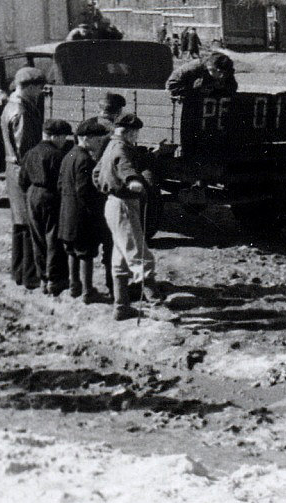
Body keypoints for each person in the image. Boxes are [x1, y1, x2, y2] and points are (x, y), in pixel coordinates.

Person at [96, 113, 165, 320]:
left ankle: (121, 305)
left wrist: (110, 186)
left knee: (120, 257)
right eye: (136, 133)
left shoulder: (109, 145)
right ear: (129, 132)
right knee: (140, 255)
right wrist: (133, 182)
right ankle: (157, 306)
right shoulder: (121, 149)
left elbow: (96, 172)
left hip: (113, 204)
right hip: (125, 205)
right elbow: (126, 169)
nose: (137, 137)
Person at [59, 119, 113, 303]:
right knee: (86, 253)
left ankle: (75, 287)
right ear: (86, 139)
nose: (99, 144)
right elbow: (84, 191)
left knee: (73, 251)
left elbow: (61, 184)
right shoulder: (85, 160)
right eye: (97, 140)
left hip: (68, 214)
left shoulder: (69, 155)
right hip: (83, 217)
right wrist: (101, 202)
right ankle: (88, 292)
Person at [1, 66, 46, 290]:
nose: (40, 92)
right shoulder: (23, 111)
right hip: (23, 172)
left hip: (12, 170)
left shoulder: (10, 106)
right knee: (30, 225)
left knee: (19, 224)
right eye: (38, 88)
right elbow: (25, 149)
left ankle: (19, 272)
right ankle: (31, 276)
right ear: (27, 87)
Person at [19, 119, 73, 296]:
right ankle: (55, 281)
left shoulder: (30, 153)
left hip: (32, 195)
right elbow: (63, 183)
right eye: (63, 137)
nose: (64, 141)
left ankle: (43, 279)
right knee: (54, 239)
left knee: (38, 239)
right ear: (54, 137)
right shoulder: (58, 156)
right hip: (51, 197)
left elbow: (22, 181)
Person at [165, 51, 238, 98]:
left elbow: (232, 88)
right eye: (220, 73)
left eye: (224, 74)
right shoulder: (193, 68)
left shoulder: (226, 69)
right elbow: (171, 85)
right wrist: (195, 91)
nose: (222, 76)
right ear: (210, 68)